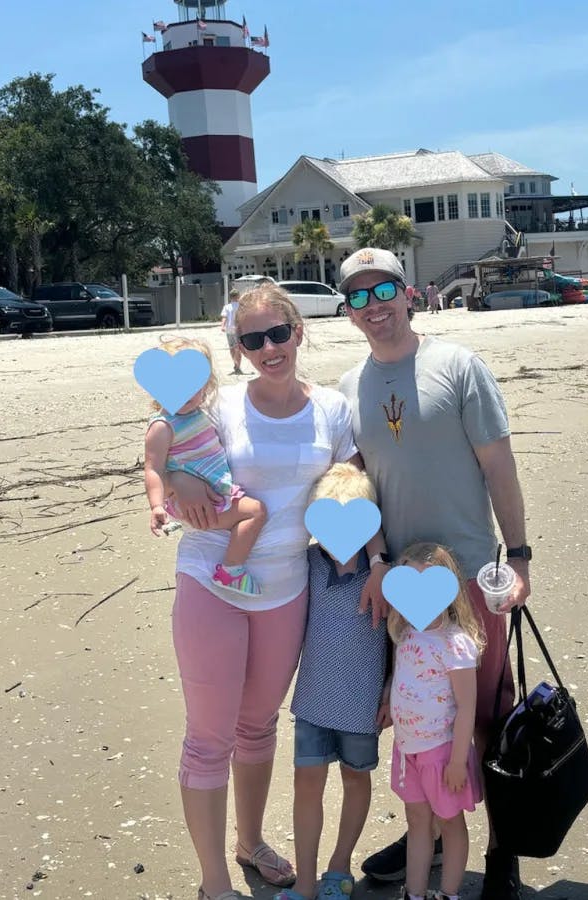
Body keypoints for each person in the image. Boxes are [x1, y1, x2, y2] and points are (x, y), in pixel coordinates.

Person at [163, 283, 390, 900]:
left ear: (298, 331)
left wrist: (376, 560)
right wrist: (176, 493)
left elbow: (353, 489)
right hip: (212, 575)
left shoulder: (333, 411)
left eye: (278, 334)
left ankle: (249, 841)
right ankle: (215, 883)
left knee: (257, 725)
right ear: (237, 348)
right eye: (253, 339)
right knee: (209, 737)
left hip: (287, 585)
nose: (269, 348)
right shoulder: (223, 410)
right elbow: (168, 450)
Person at [336, 247, 532, 899]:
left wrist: (520, 556)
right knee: (416, 714)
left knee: (483, 715)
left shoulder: (458, 366)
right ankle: (425, 820)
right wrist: (374, 562)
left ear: (408, 292)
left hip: (469, 575)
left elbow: (499, 466)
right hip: (398, 588)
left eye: (383, 290)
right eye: (358, 297)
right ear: (348, 311)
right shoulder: (348, 387)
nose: (374, 307)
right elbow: (354, 488)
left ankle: (501, 848)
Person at [278, 462, 389, 900]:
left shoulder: (382, 574)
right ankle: (304, 882)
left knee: (356, 780)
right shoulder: (306, 562)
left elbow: (400, 638)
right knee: (306, 784)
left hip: (362, 704)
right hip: (312, 701)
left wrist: (390, 689)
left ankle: (339, 867)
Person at [386, 542, 485, 900]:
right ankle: (414, 892)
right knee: (416, 822)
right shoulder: (406, 631)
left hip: (442, 753)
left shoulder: (456, 643)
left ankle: (449, 893)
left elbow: (467, 707)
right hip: (407, 747)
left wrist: (459, 761)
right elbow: (404, 677)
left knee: (450, 823)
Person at [143, 336, 267, 600]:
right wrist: (156, 506)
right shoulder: (163, 426)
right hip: (205, 505)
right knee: (255, 512)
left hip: (213, 493)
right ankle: (231, 570)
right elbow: (153, 469)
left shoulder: (199, 414)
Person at [221, 289, 245, 375]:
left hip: (229, 330)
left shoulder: (226, 307)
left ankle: (235, 364)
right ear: (238, 296)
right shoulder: (241, 306)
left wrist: (222, 326)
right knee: (238, 348)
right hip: (238, 329)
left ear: (230, 297)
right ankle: (238, 366)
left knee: (232, 348)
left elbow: (224, 317)